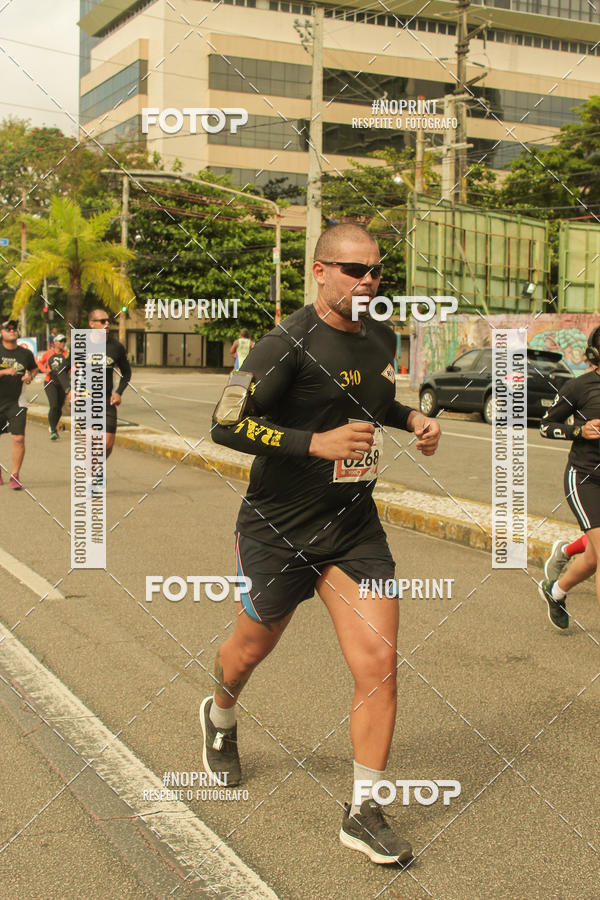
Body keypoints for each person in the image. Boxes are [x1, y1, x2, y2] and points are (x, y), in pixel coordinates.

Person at [203, 224, 441, 865]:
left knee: (378, 665)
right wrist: (316, 443)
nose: (366, 282)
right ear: (319, 272)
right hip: (278, 528)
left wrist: (412, 418)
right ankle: (221, 715)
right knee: (250, 649)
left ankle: (364, 810)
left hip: (353, 527)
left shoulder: (382, 337)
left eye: (374, 272)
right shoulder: (284, 344)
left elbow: (376, 398)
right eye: (351, 270)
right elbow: (226, 424)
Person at [538, 324, 600, 629]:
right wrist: (580, 430)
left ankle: (556, 591)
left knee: (592, 558)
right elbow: (546, 425)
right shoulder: (580, 387)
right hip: (584, 477)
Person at [62, 309, 131, 461]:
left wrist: (119, 392)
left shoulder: (116, 347)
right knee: (92, 441)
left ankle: (96, 467)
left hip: (106, 400)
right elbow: (61, 370)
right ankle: (91, 477)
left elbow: (126, 373)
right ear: (92, 324)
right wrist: (69, 390)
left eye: (108, 321)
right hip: (84, 399)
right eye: (102, 321)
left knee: (107, 444)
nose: (107, 324)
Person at [0, 319, 38, 489]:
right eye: (8, 329)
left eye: (14, 329)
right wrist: (4, 371)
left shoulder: (25, 354)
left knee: (19, 438)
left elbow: (34, 368)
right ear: (1, 332)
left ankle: (14, 475)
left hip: (16, 402)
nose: (12, 331)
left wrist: (30, 376)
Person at [37, 333, 68, 440]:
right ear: (55, 343)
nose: (63, 343)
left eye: (64, 341)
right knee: (53, 405)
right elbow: (39, 363)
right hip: (50, 382)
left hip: (62, 384)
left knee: (59, 408)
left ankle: (52, 425)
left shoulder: (66, 354)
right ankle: (53, 430)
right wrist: (45, 370)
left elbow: (73, 366)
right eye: (60, 341)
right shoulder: (48, 353)